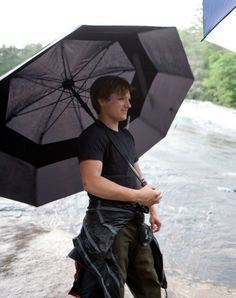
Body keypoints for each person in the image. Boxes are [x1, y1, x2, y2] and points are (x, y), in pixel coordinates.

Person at [68, 75, 167, 298]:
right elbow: (91, 182)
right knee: (110, 288)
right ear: (101, 100)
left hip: (134, 222)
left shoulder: (126, 136)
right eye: (121, 99)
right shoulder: (92, 136)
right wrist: (139, 196)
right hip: (108, 227)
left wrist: (152, 208)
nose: (128, 105)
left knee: (150, 285)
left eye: (129, 99)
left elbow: (138, 177)